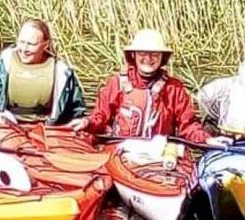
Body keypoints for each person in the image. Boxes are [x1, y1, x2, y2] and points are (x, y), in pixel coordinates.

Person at [74, 29, 226, 144]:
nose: (148, 59)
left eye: (154, 54)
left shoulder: (174, 88)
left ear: (162, 57)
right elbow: (100, 116)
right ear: (133, 55)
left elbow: (189, 126)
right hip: (122, 148)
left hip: (158, 150)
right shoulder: (117, 83)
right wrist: (87, 123)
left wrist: (207, 139)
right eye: (142, 53)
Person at [0, 19, 88, 127]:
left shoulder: (62, 72)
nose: (24, 49)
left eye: (31, 44)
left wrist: (82, 122)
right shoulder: (1, 66)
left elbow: (77, 111)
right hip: (8, 128)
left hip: (49, 130)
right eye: (21, 42)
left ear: (45, 45)